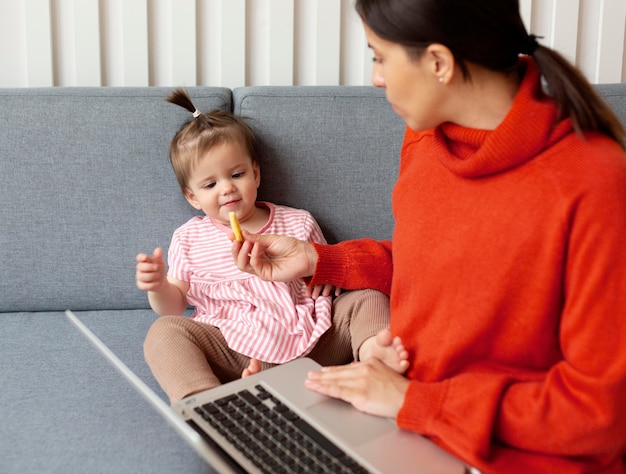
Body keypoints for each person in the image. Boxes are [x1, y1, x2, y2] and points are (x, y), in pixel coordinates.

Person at [231, 1, 626, 472]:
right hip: (407, 425)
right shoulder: (425, 140)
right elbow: (453, 264)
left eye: (378, 56)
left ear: (439, 62)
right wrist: (319, 261)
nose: (376, 77)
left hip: (510, 456)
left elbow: (599, 415)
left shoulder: (595, 180)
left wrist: (415, 400)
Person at [136, 88, 406, 403]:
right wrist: (157, 286)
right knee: (164, 332)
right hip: (234, 350)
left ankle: (374, 359)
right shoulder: (188, 238)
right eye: (210, 184)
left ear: (256, 173)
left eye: (236, 174)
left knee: (367, 298)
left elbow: (327, 272)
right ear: (192, 197)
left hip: (311, 342)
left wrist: (329, 282)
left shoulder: (299, 223)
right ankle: (207, 404)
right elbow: (175, 305)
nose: (226, 188)